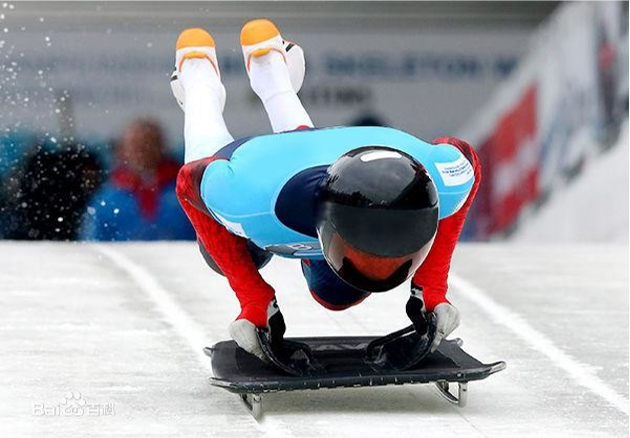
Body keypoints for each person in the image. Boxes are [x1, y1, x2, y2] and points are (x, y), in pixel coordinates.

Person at [172, 20, 481, 362]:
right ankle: (199, 77)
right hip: (258, 166)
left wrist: (432, 287)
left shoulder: (443, 183)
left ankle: (270, 70)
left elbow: (465, 159)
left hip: (326, 152)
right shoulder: (251, 201)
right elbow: (189, 182)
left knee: (335, 293)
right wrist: (253, 297)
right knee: (232, 255)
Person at [80, 119, 195, 241]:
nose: (142, 151)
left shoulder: (184, 190)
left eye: (149, 143)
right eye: (135, 145)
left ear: (161, 147)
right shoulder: (108, 198)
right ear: (123, 150)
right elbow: (92, 241)